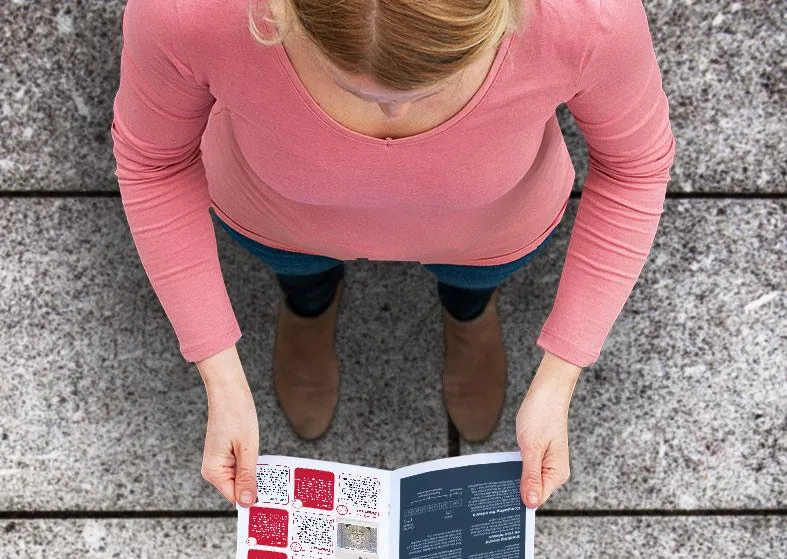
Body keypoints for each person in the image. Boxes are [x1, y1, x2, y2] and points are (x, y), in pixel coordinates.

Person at [111, 0, 676, 511]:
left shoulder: (588, 17)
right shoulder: (188, 12)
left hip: (488, 234)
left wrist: (560, 375)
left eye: (428, 89)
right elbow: (153, 162)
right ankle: (310, 312)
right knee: (300, 277)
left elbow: (635, 167)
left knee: (473, 285)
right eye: (359, 91)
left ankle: (468, 318)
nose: (394, 117)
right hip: (282, 224)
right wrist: (220, 371)